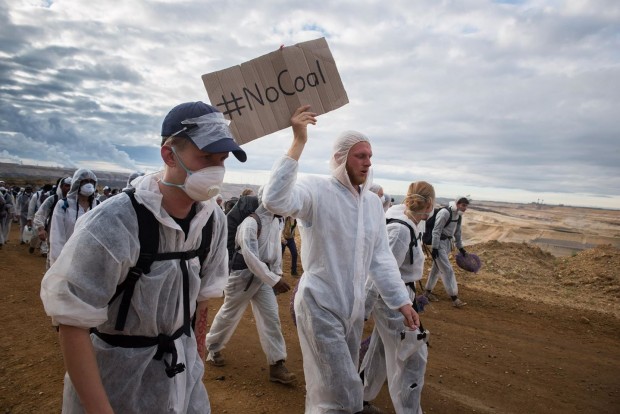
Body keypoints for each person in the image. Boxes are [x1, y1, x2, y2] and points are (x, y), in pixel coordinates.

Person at [40, 101, 247, 413]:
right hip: (113, 381)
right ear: (169, 155)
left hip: (180, 374)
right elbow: (73, 322)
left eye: (222, 159)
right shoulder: (114, 222)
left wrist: (196, 365)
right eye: (205, 157)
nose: (216, 170)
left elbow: (201, 303)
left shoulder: (211, 220)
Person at [262, 105, 419, 413]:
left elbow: (381, 259)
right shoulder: (316, 189)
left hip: (352, 309)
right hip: (319, 304)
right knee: (341, 390)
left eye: (370, 156)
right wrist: (298, 142)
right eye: (360, 155)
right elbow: (275, 200)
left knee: (330, 387)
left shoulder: (373, 204)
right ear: (340, 158)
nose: (368, 162)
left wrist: (402, 301)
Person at [205, 191, 296, 384]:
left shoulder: (276, 221)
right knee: (229, 314)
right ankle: (212, 348)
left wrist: (276, 273)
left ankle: (276, 364)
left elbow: (274, 252)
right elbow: (251, 257)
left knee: (271, 318)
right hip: (242, 277)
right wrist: (274, 280)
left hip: (262, 278)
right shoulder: (250, 223)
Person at [360, 181, 435, 414]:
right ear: (430, 204)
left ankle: (359, 399)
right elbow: (379, 272)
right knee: (413, 356)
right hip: (391, 299)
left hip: (400, 295)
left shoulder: (408, 223)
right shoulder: (400, 230)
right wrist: (361, 311)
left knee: (381, 349)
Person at [424, 196, 470, 308]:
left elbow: (457, 232)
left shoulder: (458, 215)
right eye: (463, 205)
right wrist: (434, 248)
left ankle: (427, 293)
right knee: (447, 270)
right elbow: (436, 230)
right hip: (439, 244)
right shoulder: (445, 212)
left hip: (447, 244)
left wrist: (461, 248)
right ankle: (454, 298)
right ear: (457, 203)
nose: (465, 208)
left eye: (466, 206)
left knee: (436, 270)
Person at [48, 169, 99, 266]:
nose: (89, 184)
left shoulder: (98, 206)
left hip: (89, 260)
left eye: (91, 181)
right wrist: (58, 261)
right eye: (85, 181)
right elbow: (57, 235)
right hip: (67, 258)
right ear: (77, 183)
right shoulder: (64, 205)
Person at [33, 177, 71, 264]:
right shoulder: (53, 199)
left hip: (71, 236)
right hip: (54, 234)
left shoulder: (78, 202)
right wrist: (41, 229)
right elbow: (40, 214)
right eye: (67, 186)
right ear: (61, 187)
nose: (69, 188)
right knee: (53, 260)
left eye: (71, 186)